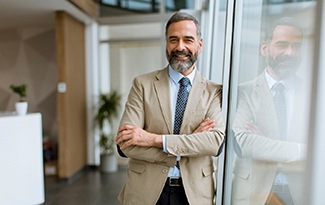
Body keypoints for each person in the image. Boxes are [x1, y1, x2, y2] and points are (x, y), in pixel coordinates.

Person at [115, 12, 225, 205]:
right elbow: (126, 146)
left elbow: (214, 143)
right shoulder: (143, 84)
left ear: (200, 44)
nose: (180, 47)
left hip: (194, 195)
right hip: (145, 192)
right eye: (173, 39)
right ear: (166, 43)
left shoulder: (214, 91)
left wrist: (153, 139)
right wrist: (191, 141)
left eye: (188, 39)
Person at [231, 17, 309, 205]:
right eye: (282, 45)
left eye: (296, 46)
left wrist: (266, 141)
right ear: (264, 48)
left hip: (300, 194)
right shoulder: (243, 92)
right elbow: (244, 143)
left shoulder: (313, 93)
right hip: (254, 194)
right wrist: (302, 149)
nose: (290, 52)